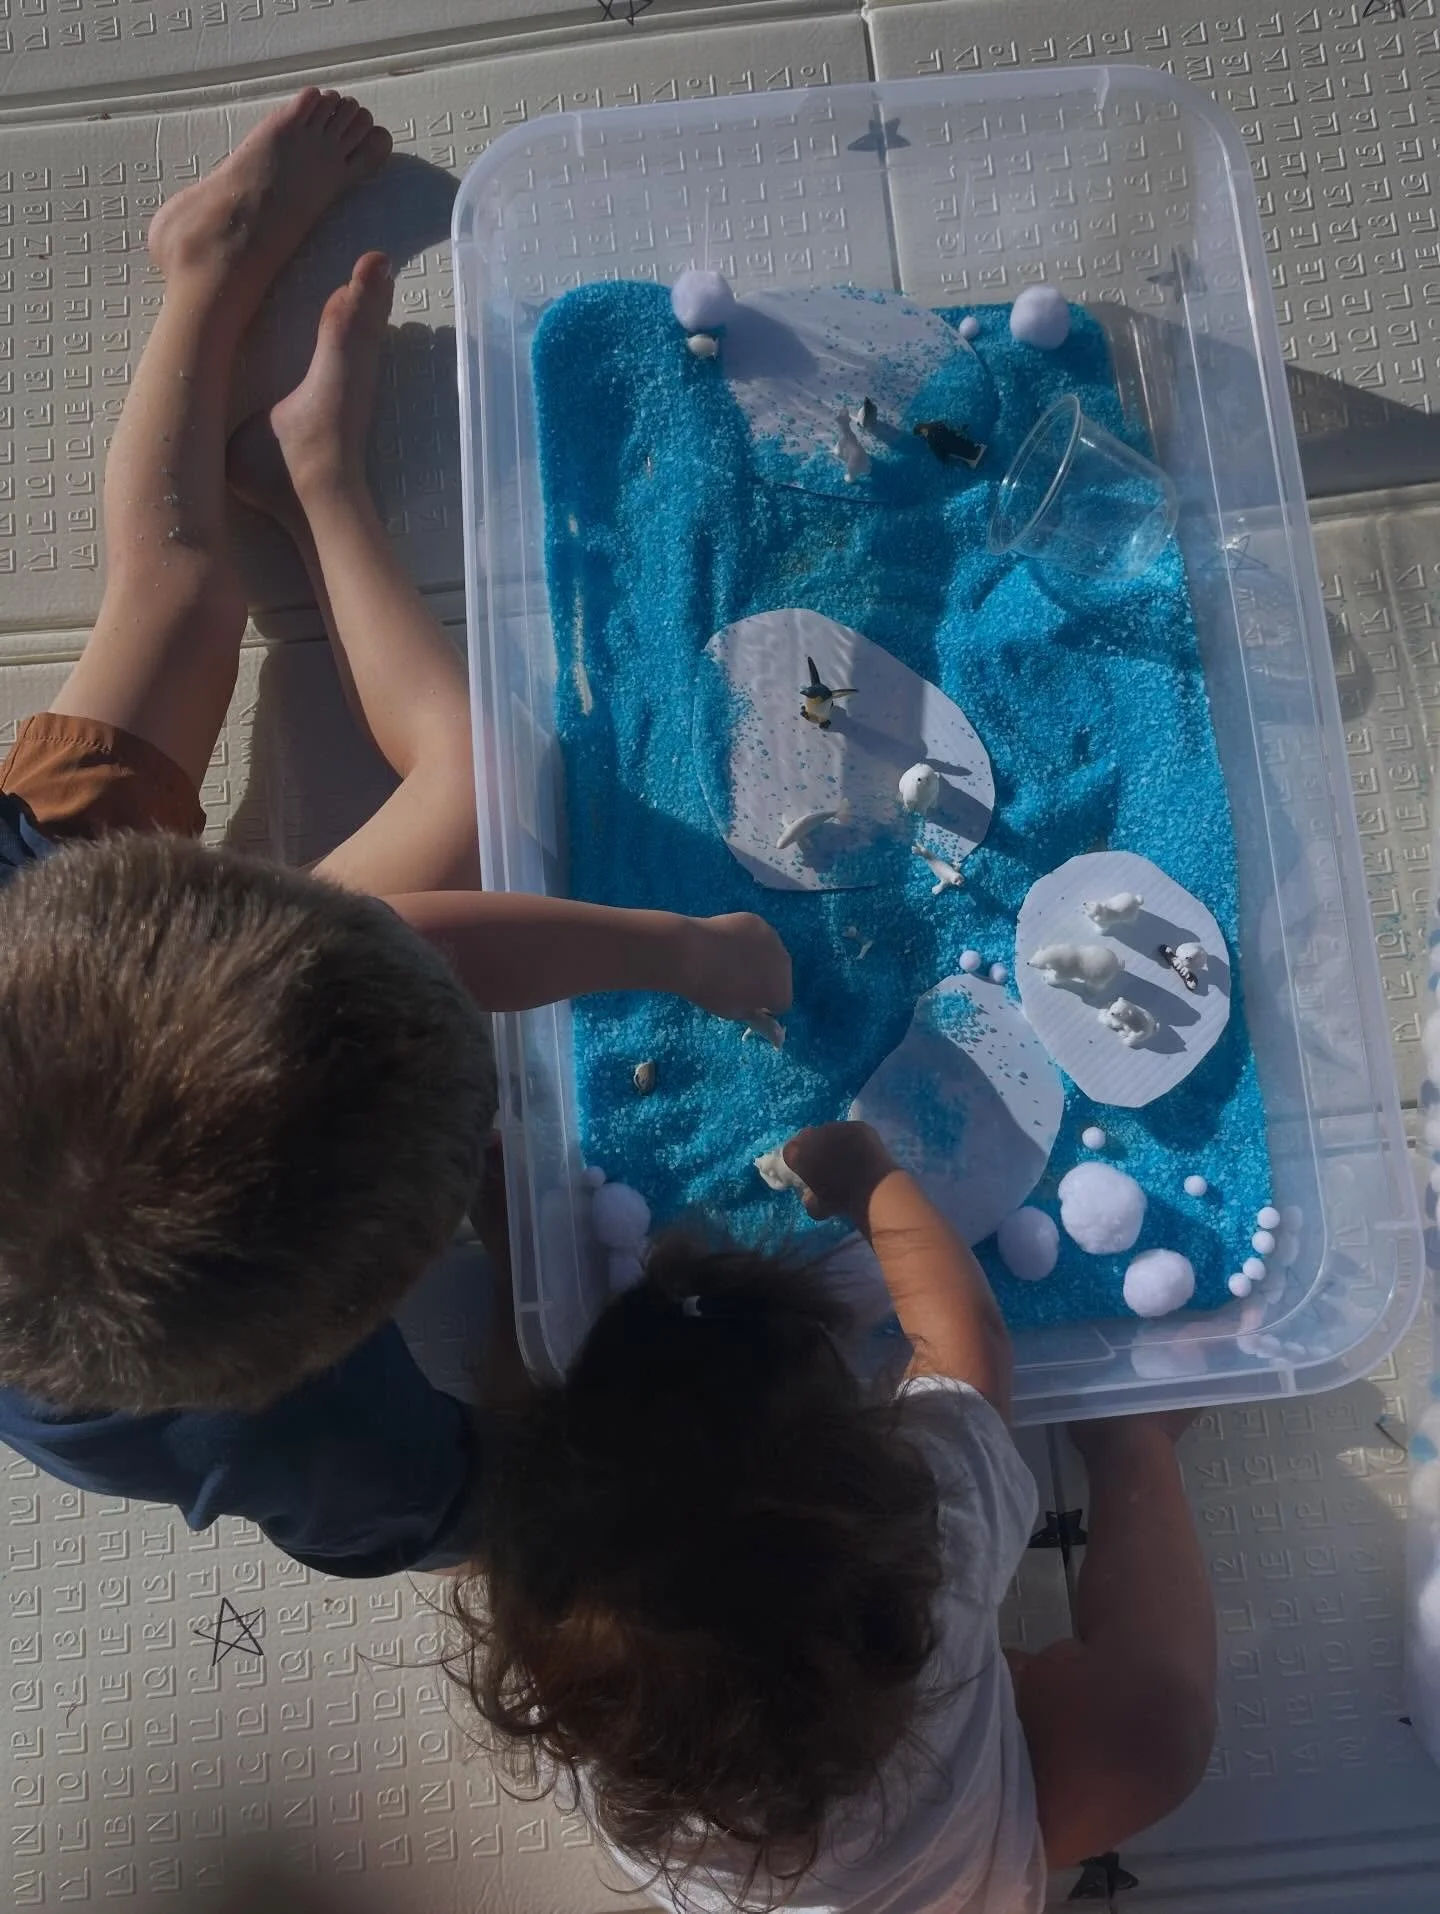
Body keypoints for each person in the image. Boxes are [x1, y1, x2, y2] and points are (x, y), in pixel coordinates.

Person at [0, 89, 790, 1577]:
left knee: (178, 595)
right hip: (70, 971)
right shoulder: (294, 1439)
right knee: (427, 755)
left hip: (36, 904)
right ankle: (314, 472)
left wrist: (688, 952)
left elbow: (408, 944)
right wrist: (517, 1248)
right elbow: (495, 1502)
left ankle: (211, 267)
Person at [446, 1120, 1216, 1911]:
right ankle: (1136, 1449)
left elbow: (519, 1455)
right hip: (973, 1855)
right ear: (881, 1487)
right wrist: (869, 1180)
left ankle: (513, 1267)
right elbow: (969, 1344)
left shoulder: (571, 1679)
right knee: (1152, 1738)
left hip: (842, 1869)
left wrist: (520, 1270)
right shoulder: (935, 1557)